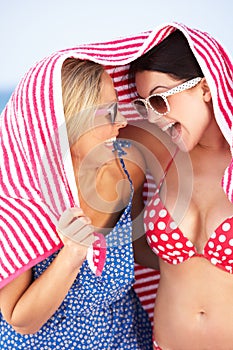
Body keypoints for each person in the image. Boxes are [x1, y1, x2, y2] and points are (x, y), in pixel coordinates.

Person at [0, 56, 153, 349]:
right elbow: (21, 320)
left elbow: (137, 247)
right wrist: (72, 254)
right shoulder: (19, 199)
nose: (121, 122)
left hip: (126, 339)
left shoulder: (127, 169)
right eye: (108, 113)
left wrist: (201, 263)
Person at [119, 25, 233, 350]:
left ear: (206, 88)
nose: (154, 117)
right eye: (144, 105)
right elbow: (68, 126)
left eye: (159, 99)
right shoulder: (160, 154)